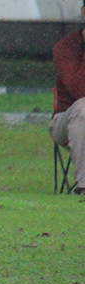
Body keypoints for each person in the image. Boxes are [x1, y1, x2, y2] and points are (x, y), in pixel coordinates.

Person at [50, 13, 85, 193]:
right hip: (66, 121)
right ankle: (84, 184)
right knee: (83, 107)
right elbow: (78, 89)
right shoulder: (66, 47)